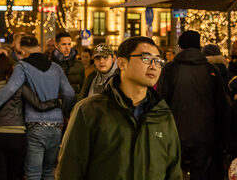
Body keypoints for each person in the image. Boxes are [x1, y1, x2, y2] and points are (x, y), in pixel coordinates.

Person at [57, 36, 182, 180]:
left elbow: (173, 171)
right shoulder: (90, 111)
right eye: (146, 59)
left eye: (158, 61)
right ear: (122, 63)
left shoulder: (162, 114)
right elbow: (70, 169)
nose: (153, 66)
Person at [0, 35, 75, 180]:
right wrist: (65, 112)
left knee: (33, 172)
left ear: (22, 49)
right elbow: (69, 93)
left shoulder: (23, 66)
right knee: (48, 171)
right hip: (56, 125)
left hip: (35, 125)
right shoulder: (55, 67)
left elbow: (10, 88)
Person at [157, 30, 230, 180]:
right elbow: (221, 106)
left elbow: (161, 101)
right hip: (205, 134)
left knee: (175, 172)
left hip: (175, 133)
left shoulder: (170, 69)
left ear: (180, 47)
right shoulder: (211, 70)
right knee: (201, 173)